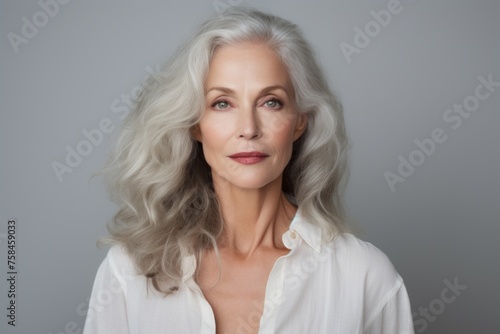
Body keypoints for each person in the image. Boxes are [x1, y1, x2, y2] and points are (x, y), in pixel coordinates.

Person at [83, 7, 414, 334]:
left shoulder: (365, 278)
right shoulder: (129, 272)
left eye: (271, 102)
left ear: (300, 121)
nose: (248, 129)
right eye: (222, 103)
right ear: (194, 124)